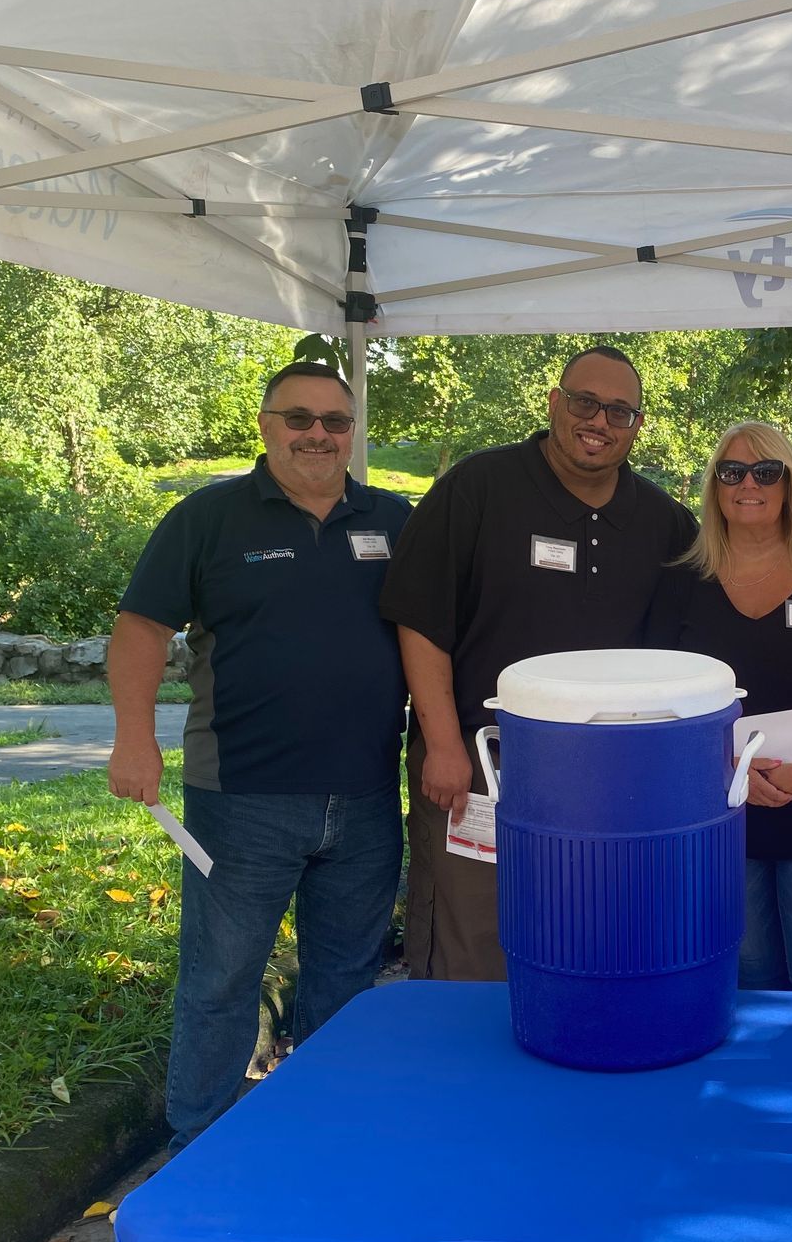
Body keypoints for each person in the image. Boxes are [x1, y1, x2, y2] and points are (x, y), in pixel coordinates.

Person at [107, 362, 410, 1149]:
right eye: (298, 418)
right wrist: (133, 739)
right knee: (221, 980)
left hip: (368, 794)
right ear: (267, 424)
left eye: (335, 421)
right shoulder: (208, 518)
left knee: (345, 980)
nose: (318, 434)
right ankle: (198, 1141)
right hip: (242, 797)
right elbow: (141, 628)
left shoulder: (394, 520)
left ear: (354, 431)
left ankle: (321, 1133)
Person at [379, 345, 696, 981]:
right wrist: (443, 743)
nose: (598, 421)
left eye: (619, 411)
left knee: (586, 931)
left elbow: (688, 653)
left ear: (637, 425)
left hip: (604, 775)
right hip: (479, 762)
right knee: (470, 941)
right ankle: (463, 1078)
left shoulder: (663, 522)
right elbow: (419, 621)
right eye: (584, 402)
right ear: (555, 404)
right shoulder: (477, 488)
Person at [647, 422, 792, 991]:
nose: (747, 484)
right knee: (747, 975)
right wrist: (723, 769)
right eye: (731, 472)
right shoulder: (681, 581)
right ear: (714, 486)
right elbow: (658, 694)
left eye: (765, 471)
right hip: (721, 807)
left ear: (789, 484)